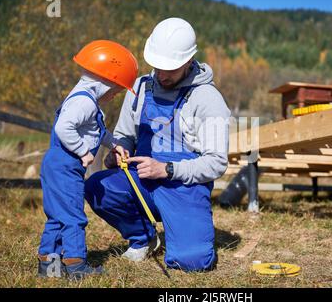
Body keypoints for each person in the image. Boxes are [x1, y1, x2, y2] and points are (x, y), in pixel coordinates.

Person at [85, 18, 231, 272]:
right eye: (157, 67)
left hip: (184, 187)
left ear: (188, 61)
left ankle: (184, 229)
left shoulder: (209, 99)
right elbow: (124, 135)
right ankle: (142, 237)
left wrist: (168, 169)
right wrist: (116, 151)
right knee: (98, 187)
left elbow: (217, 162)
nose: (161, 75)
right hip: (141, 180)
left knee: (192, 261)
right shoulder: (141, 87)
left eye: (170, 69)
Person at [37, 40, 138, 279]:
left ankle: (49, 265)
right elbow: (64, 128)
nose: (115, 95)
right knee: (73, 216)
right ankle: (75, 264)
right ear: (106, 81)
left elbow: (97, 131)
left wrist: (114, 145)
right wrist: (83, 151)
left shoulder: (85, 99)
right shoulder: (84, 102)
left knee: (57, 215)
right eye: (117, 90)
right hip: (66, 167)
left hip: (55, 165)